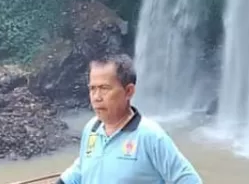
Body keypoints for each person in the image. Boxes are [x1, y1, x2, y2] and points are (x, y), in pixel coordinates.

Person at [56, 53, 202, 184]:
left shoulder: (150, 136)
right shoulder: (91, 128)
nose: (96, 97)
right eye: (92, 88)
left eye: (104, 88)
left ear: (128, 91)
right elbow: (83, 166)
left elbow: (189, 180)